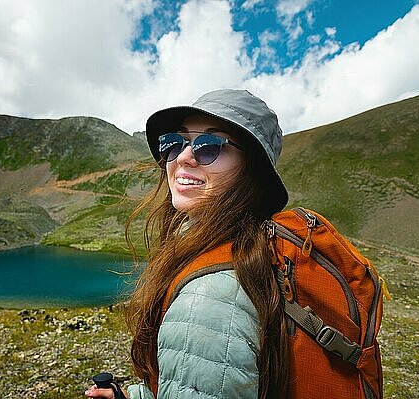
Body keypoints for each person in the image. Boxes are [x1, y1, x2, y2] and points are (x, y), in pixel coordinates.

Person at [85, 89, 290, 399]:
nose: (182, 157)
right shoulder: (250, 248)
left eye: (210, 146)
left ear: (251, 171)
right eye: (174, 142)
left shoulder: (209, 296)